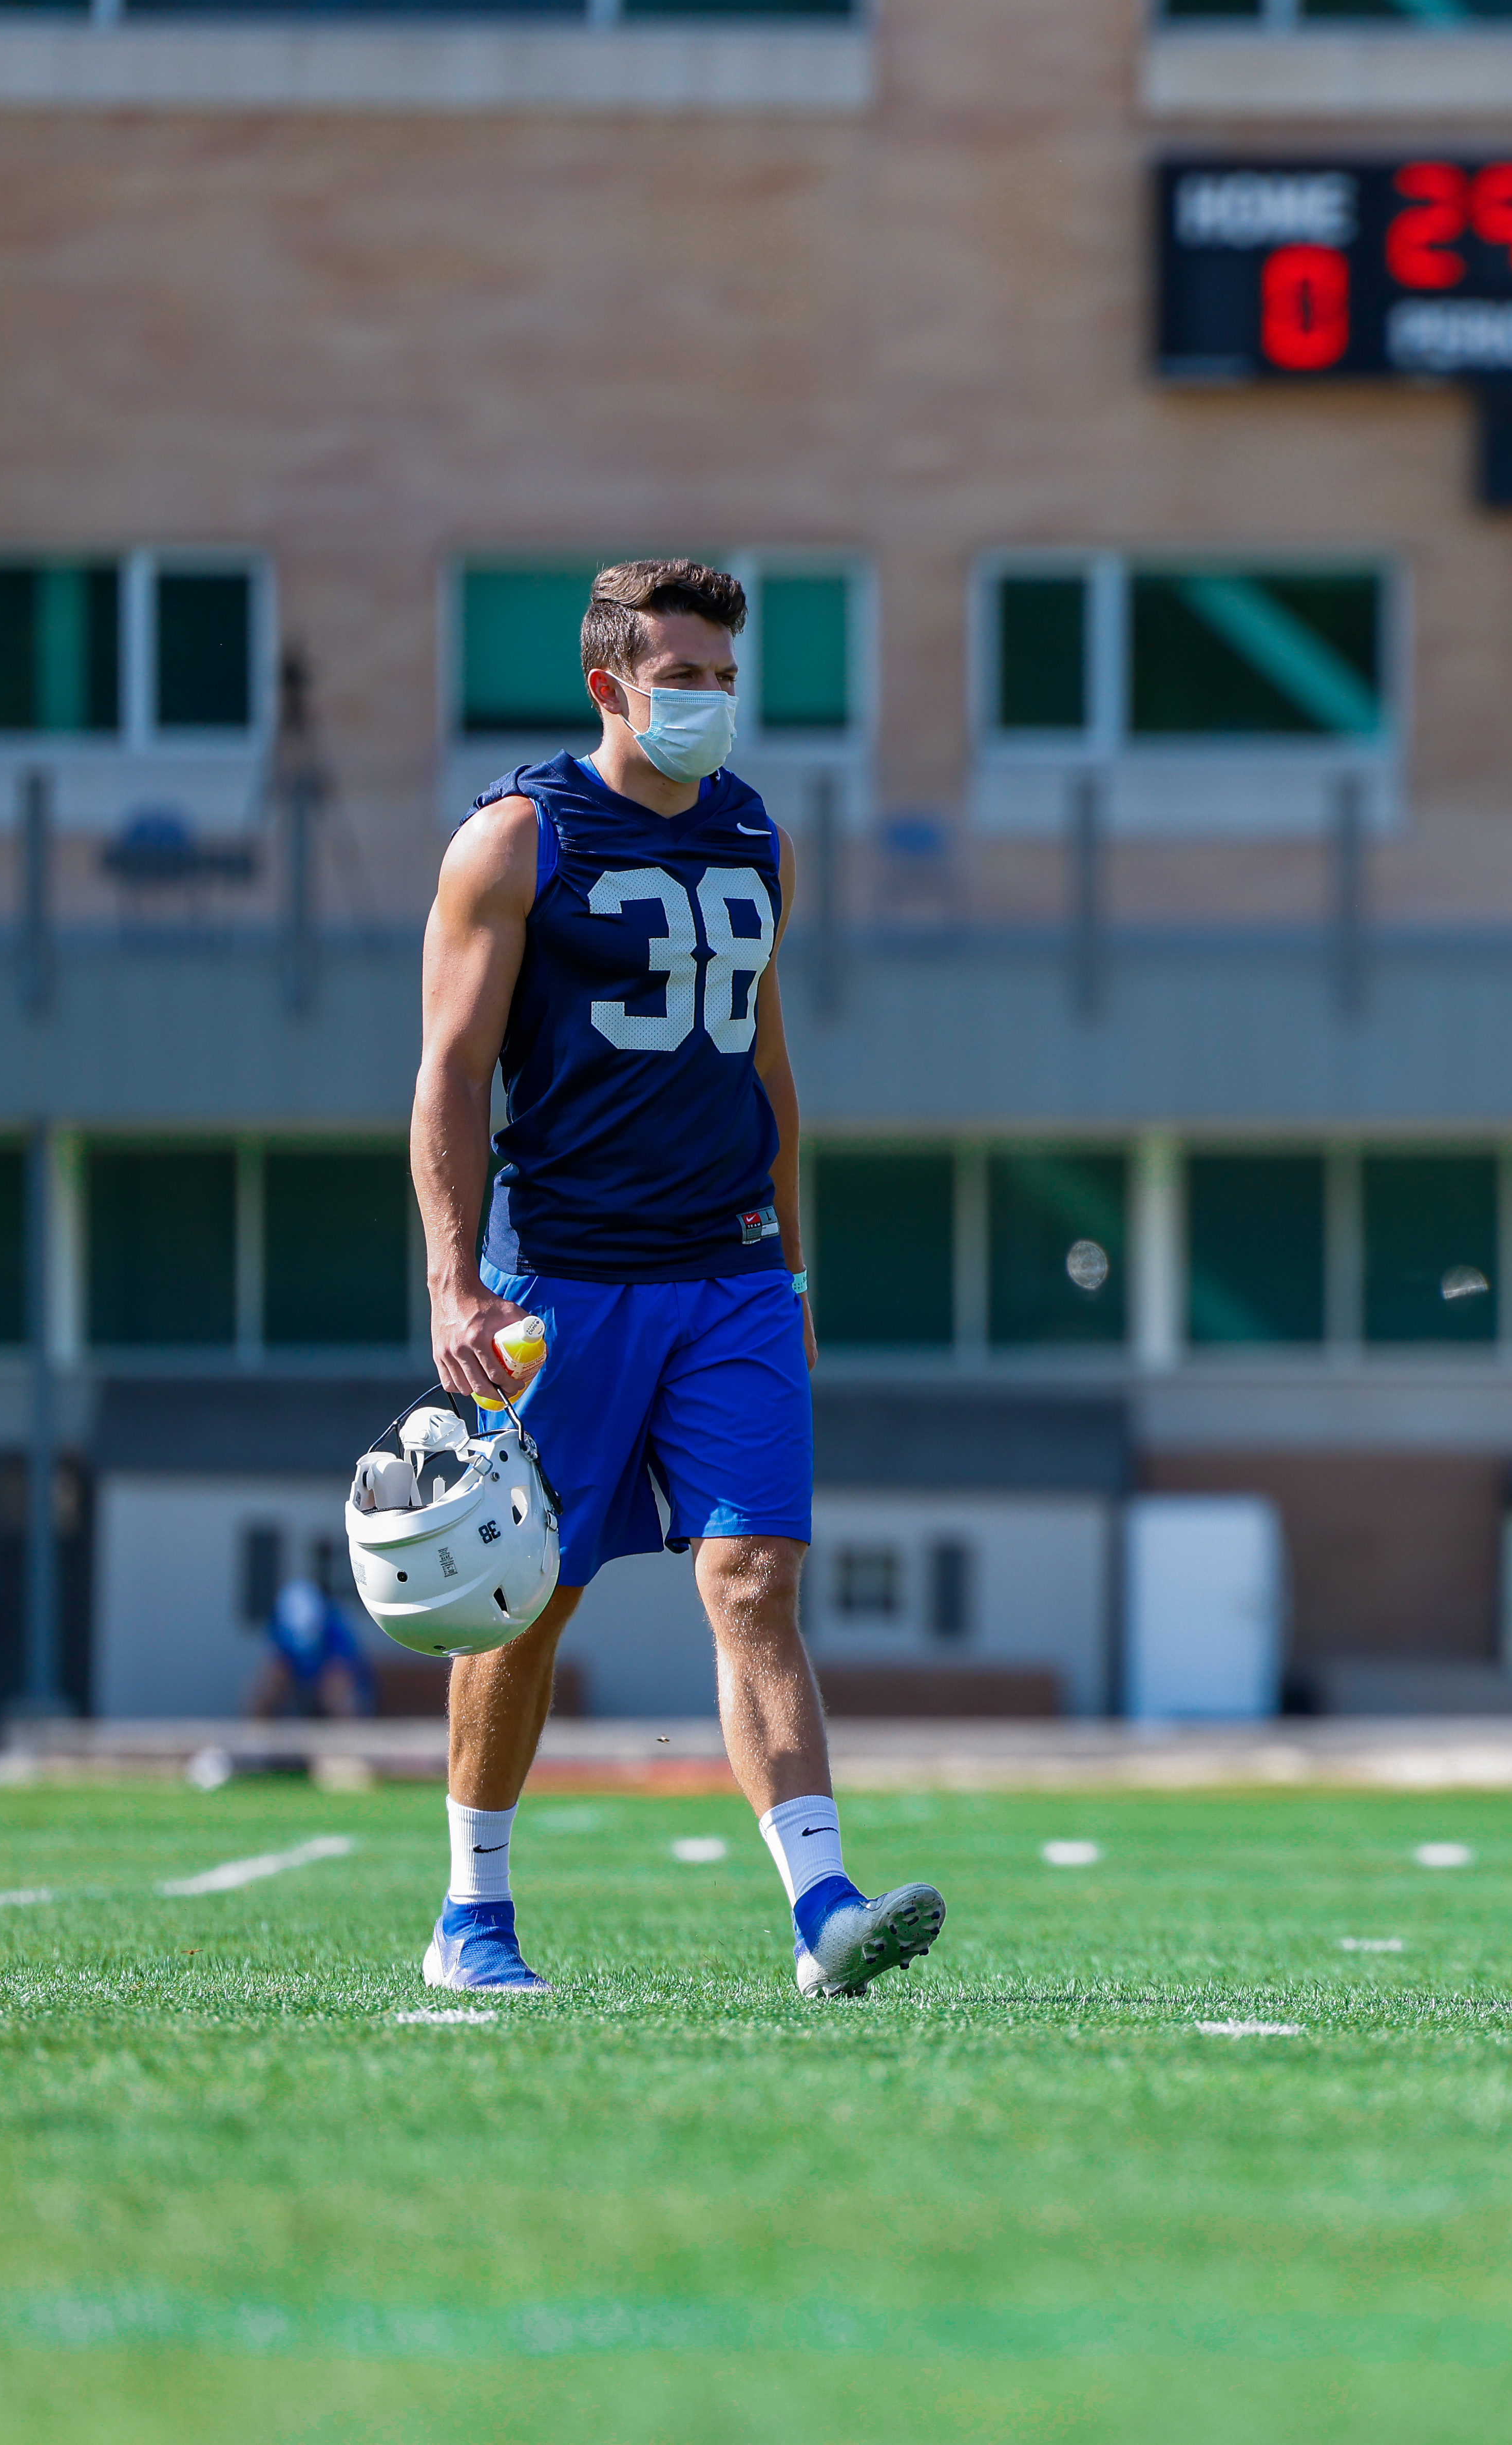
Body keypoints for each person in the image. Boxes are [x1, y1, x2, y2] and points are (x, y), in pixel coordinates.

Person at [408, 558, 942, 1998]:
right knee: (531, 1598)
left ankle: (822, 1908)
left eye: (722, 674)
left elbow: (767, 1067)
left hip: (733, 1276)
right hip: (565, 1277)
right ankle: (473, 1911)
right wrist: (456, 1283)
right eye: (681, 676)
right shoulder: (515, 840)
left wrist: (796, 1261)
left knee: (755, 1578)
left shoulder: (755, 831)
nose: (708, 700)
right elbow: (451, 1073)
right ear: (610, 686)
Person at [246, 1568, 374, 1721]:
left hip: (333, 1687)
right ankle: (258, 1735)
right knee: (268, 1684)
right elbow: (275, 1664)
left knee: (337, 1685)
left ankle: (347, 1738)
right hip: (298, 1682)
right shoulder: (280, 1627)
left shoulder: (336, 1629)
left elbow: (346, 1669)